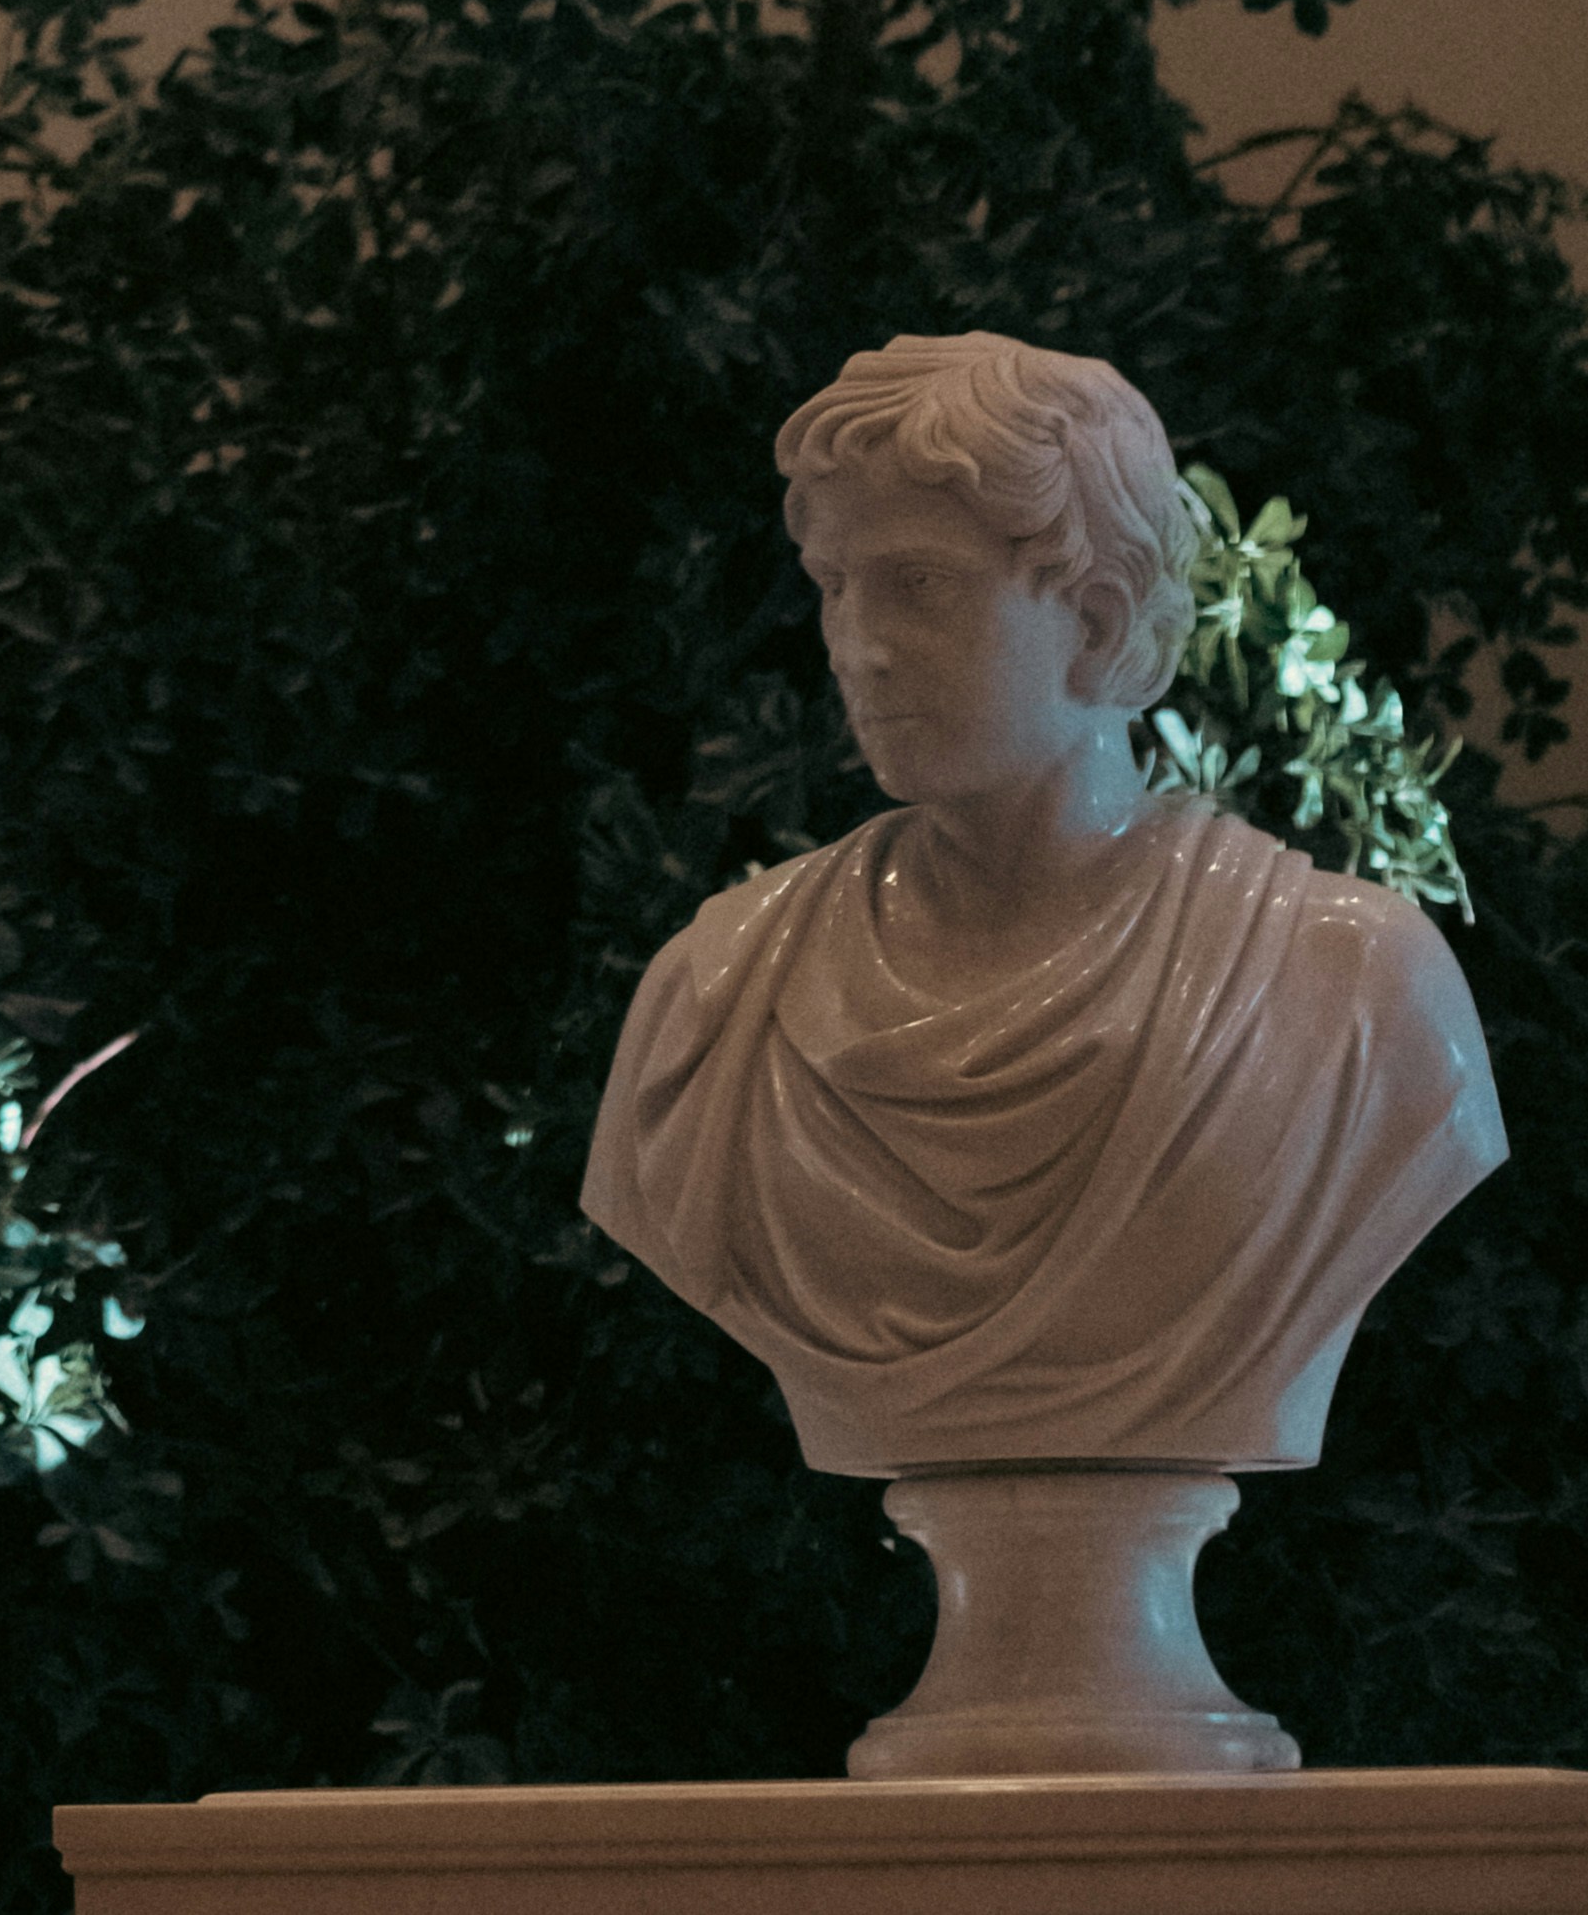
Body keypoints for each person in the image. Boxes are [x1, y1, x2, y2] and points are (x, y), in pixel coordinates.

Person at [582, 333, 1495, 1476]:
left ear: (1101, 617)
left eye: (917, 584)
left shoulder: (1351, 990)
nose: (855, 646)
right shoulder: (715, 1002)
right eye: (831, 587)